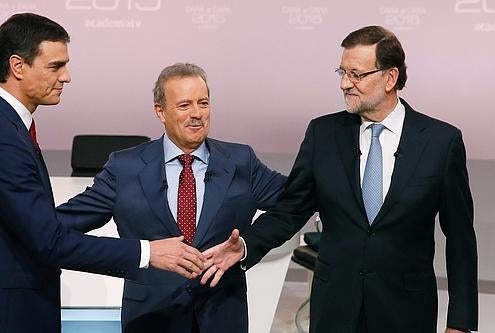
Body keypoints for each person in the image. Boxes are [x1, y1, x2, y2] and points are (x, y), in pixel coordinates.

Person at [202, 26, 478, 333]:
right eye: (342, 72)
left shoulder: (441, 142)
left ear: (390, 78)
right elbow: (290, 211)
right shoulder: (323, 135)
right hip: (335, 309)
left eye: (356, 74)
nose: (345, 84)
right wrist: (245, 246)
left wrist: (460, 322)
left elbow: (461, 239)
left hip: (406, 311)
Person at [0, 13, 205, 333]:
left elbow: (31, 228)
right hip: (1, 314)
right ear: (18, 66)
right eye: (55, 66)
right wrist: (148, 251)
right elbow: (49, 241)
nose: (66, 77)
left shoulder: (2, 126)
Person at [56, 62, 286, 333]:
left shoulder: (240, 161)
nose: (197, 114)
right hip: (151, 317)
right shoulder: (125, 167)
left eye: (203, 103)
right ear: (160, 111)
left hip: (221, 315)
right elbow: (61, 223)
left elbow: (295, 203)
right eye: (185, 105)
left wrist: (248, 244)